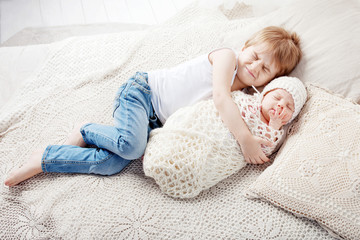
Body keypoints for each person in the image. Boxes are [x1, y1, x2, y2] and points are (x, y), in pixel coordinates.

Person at [4, 26, 302, 187]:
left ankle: (50, 156)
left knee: (112, 164)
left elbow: (216, 120)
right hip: (143, 94)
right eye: (254, 55)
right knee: (131, 148)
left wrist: (267, 133)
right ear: (245, 45)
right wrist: (245, 139)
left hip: (157, 122)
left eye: (265, 69)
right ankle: (84, 131)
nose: (254, 66)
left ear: (270, 81)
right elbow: (221, 100)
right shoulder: (228, 57)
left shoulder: (248, 95)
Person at [142, 76, 307, 198]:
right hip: (210, 125)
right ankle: (162, 153)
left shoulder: (275, 132)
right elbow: (222, 105)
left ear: (291, 118)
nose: (280, 105)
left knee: (199, 162)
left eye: (288, 107)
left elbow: (262, 151)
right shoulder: (244, 99)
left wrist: (273, 126)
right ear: (264, 94)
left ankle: (177, 170)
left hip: (225, 149)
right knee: (183, 134)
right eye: (277, 98)